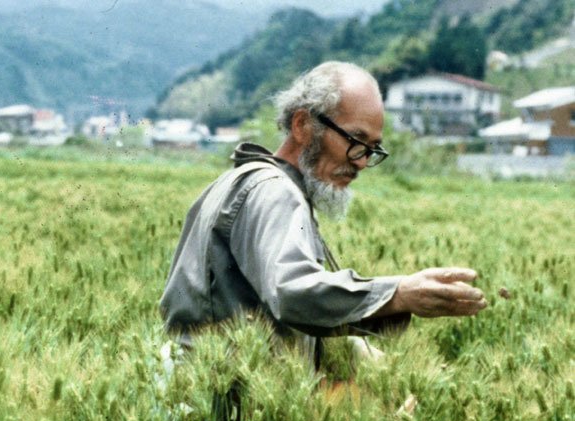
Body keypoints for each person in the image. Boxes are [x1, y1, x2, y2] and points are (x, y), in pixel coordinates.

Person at [159, 61, 487, 371]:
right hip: (222, 406)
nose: (361, 161)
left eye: (372, 149)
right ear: (303, 125)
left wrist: (348, 347)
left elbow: (259, 308)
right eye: (356, 140)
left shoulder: (248, 181)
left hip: (207, 388)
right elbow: (292, 292)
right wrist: (399, 293)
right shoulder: (273, 191)